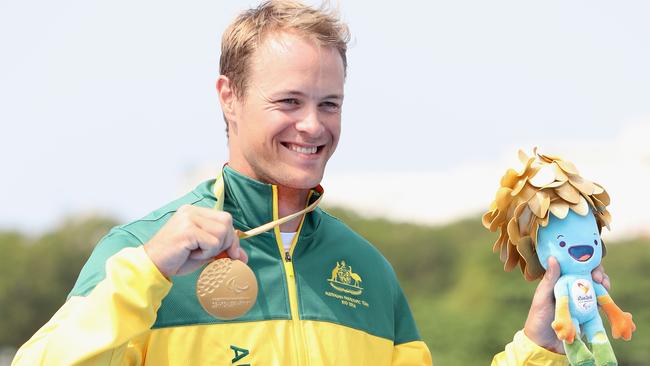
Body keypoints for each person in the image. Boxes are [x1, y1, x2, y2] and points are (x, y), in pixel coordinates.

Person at [11, 1, 610, 365]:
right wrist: (147, 274)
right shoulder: (139, 255)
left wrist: (540, 347)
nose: (313, 126)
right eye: (288, 101)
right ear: (230, 96)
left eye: (330, 103)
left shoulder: (368, 270)